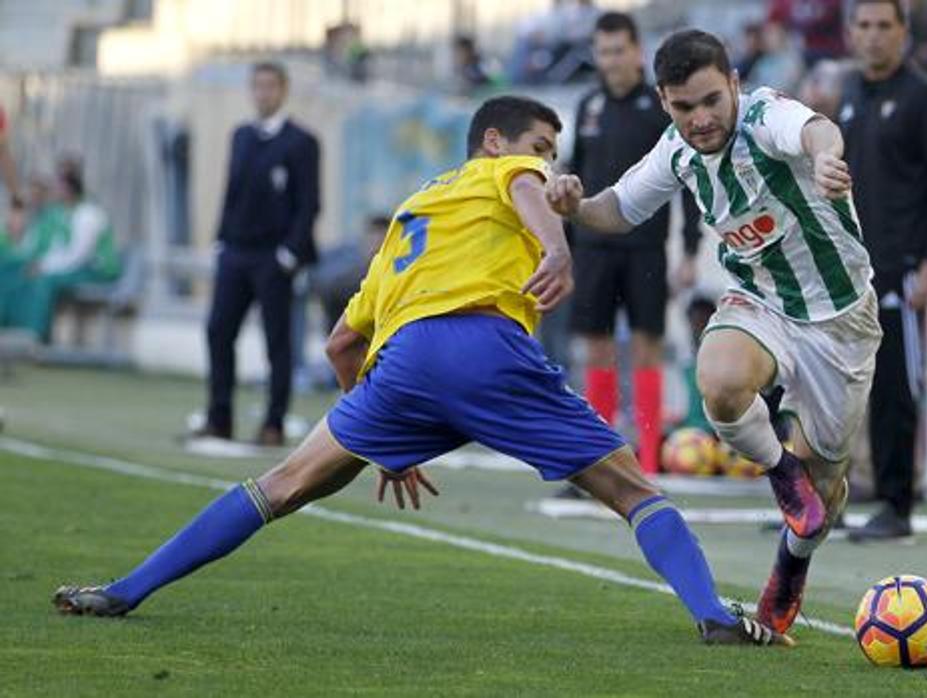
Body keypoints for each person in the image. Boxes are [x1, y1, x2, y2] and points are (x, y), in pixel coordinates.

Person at [52, 95, 789, 647]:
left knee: (283, 485)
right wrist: (557, 250)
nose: (549, 161)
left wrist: (381, 436)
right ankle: (713, 616)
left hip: (402, 366)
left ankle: (126, 589)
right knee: (633, 491)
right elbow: (529, 190)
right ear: (496, 141)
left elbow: (344, 341)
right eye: (542, 145)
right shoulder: (505, 171)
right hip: (485, 347)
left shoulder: (413, 214)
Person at [546, 29, 880, 636]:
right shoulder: (676, 149)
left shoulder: (765, 116)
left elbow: (814, 130)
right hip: (759, 301)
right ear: (664, 101)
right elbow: (618, 208)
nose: (699, 119)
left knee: (828, 489)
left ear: (733, 84)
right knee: (720, 384)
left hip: (840, 318)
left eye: (710, 101)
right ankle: (782, 472)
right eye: (683, 107)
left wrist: (829, 156)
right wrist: (573, 208)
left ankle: (791, 565)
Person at [835, 0, 927, 542]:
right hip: (848, 269)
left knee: (893, 388)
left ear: (903, 33)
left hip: (901, 268)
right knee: (834, 390)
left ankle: (897, 504)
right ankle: (826, 499)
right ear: (850, 32)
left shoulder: (926, 99)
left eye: (884, 26)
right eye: (863, 25)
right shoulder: (849, 96)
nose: (873, 36)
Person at [569, 12, 701, 474]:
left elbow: (687, 179)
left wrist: (688, 251)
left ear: (637, 51)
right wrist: (561, 251)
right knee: (596, 348)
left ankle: (646, 461)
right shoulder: (588, 107)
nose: (611, 60)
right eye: (603, 51)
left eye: (619, 49)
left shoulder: (658, 107)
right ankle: (602, 460)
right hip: (591, 249)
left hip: (646, 245)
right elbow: (574, 186)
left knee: (647, 346)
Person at [199, 61, 321, 447]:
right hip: (236, 251)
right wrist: (221, 239)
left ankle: (274, 422)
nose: (262, 93)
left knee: (276, 340)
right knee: (219, 330)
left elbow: (309, 203)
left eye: (269, 86)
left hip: (273, 256)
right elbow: (231, 191)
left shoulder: (301, 142)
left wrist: (289, 253)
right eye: (256, 86)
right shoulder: (241, 136)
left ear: (283, 89)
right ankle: (219, 418)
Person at [2, 162, 119, 341]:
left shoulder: (88, 215)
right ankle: (9, 328)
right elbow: (49, 248)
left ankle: (36, 335)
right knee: (11, 271)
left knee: (43, 281)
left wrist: (43, 266)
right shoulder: (61, 214)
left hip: (95, 270)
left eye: (58, 187)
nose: (54, 192)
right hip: (71, 267)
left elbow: (77, 256)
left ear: (69, 189)